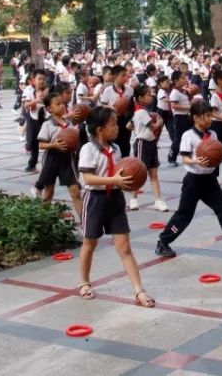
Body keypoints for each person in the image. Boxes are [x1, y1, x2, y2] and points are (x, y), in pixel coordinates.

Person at [76, 106, 155, 307]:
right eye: (113, 124)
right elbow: (88, 178)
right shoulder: (88, 149)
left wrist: (129, 182)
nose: (117, 127)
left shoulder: (117, 149)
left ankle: (139, 290)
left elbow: (122, 173)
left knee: (125, 247)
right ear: (100, 129)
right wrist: (114, 180)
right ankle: (84, 283)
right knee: (89, 244)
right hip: (95, 200)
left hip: (115, 200)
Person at [155, 100, 222, 258]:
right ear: (196, 118)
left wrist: (221, 152)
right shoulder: (188, 135)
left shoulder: (213, 134)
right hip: (193, 181)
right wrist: (196, 160)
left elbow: (217, 152)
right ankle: (163, 242)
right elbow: (185, 158)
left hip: (210, 180)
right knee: (184, 215)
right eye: (206, 116)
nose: (209, 119)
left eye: (210, 115)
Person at [34, 91, 84, 217]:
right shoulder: (48, 124)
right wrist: (53, 145)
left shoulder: (69, 124)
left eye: (63, 103)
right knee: (48, 193)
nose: (62, 106)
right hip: (51, 160)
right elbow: (40, 145)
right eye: (58, 104)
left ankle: (85, 224)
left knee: (75, 192)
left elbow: (74, 140)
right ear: (49, 108)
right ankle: (44, 222)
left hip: (67, 160)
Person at [129, 84, 168, 212]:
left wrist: (137, 128)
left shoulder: (139, 111)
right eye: (148, 95)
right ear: (140, 98)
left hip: (150, 143)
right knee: (139, 172)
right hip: (142, 143)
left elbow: (128, 126)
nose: (151, 97)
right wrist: (160, 122)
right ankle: (133, 199)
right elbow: (154, 127)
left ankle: (158, 201)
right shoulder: (140, 111)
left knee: (153, 173)